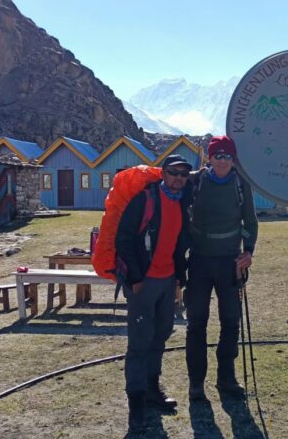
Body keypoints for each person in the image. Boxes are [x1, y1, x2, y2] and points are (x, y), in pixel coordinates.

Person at [115, 154, 192, 432]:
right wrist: (135, 278)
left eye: (184, 175)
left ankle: (151, 388)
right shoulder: (145, 200)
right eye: (173, 172)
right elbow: (122, 238)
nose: (178, 179)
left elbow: (180, 242)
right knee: (139, 341)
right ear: (163, 173)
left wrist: (178, 278)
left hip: (167, 279)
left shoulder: (182, 201)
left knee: (160, 335)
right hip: (143, 283)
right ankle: (136, 401)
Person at [184, 135, 258, 401]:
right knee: (196, 323)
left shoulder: (240, 184)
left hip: (230, 262)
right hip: (200, 261)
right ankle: (196, 383)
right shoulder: (196, 181)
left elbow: (250, 220)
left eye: (227, 156)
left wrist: (248, 251)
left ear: (233, 158)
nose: (223, 161)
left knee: (230, 321)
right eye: (218, 155)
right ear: (210, 157)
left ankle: (226, 379)